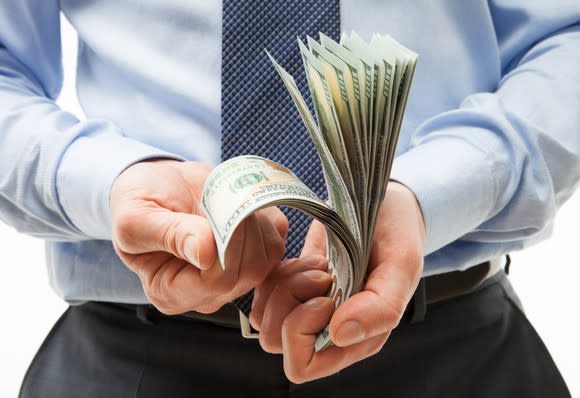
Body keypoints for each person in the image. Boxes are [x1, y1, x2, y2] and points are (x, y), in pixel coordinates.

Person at [1, 1, 579, 397]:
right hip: (125, 359)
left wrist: (429, 193)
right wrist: (114, 181)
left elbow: (566, 37)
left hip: (463, 355)